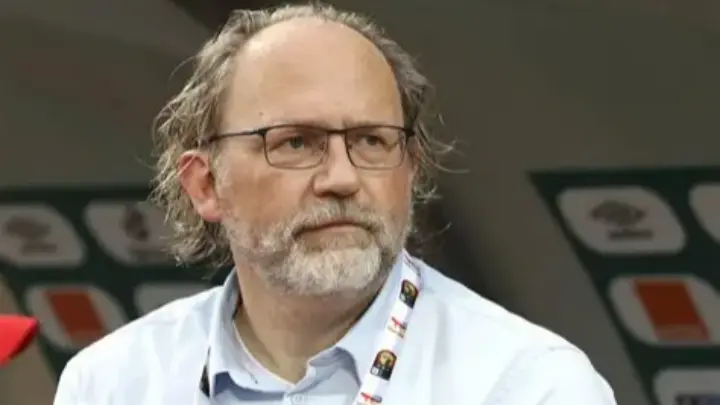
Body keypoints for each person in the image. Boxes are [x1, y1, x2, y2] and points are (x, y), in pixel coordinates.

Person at [53, 3, 617, 405]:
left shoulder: (528, 386)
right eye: (296, 143)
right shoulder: (113, 384)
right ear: (206, 184)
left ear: (411, 168)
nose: (343, 178)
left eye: (372, 141)